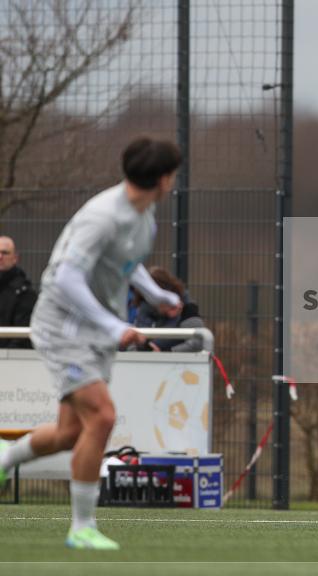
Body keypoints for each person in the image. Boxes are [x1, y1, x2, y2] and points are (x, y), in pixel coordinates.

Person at [0, 138, 183, 550]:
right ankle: (81, 528)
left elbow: (125, 263)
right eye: (172, 174)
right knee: (102, 416)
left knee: (70, 432)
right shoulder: (102, 217)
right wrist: (114, 326)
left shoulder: (143, 214)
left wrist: (156, 294)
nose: (173, 181)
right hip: (63, 328)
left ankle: (5, 458)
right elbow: (66, 277)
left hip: (94, 330)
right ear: (162, 178)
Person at [133, 266, 205, 352]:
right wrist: (148, 348)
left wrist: (167, 352)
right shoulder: (145, 308)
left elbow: (197, 343)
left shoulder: (188, 309)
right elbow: (135, 341)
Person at [0, 236, 37, 349]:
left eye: (5, 253)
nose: (0, 257)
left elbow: (21, 338)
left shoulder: (24, 293)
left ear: (15, 258)